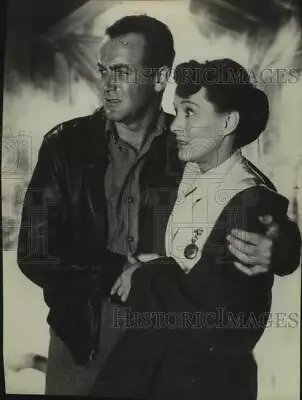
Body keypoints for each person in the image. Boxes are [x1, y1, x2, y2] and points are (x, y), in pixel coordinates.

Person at [17, 15, 301, 396]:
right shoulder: (63, 146)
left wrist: (283, 245)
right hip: (81, 342)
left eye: (121, 71)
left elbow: (254, 195)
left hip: (165, 348)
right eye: (103, 70)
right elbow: (33, 251)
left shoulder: (188, 143)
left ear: (159, 78)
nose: (107, 84)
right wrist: (119, 273)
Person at [90, 58, 302, 400]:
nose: (175, 125)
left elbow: (211, 326)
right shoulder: (182, 165)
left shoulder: (248, 203)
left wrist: (144, 275)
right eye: (176, 110)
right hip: (150, 362)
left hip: (201, 382)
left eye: (190, 112)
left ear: (228, 122)